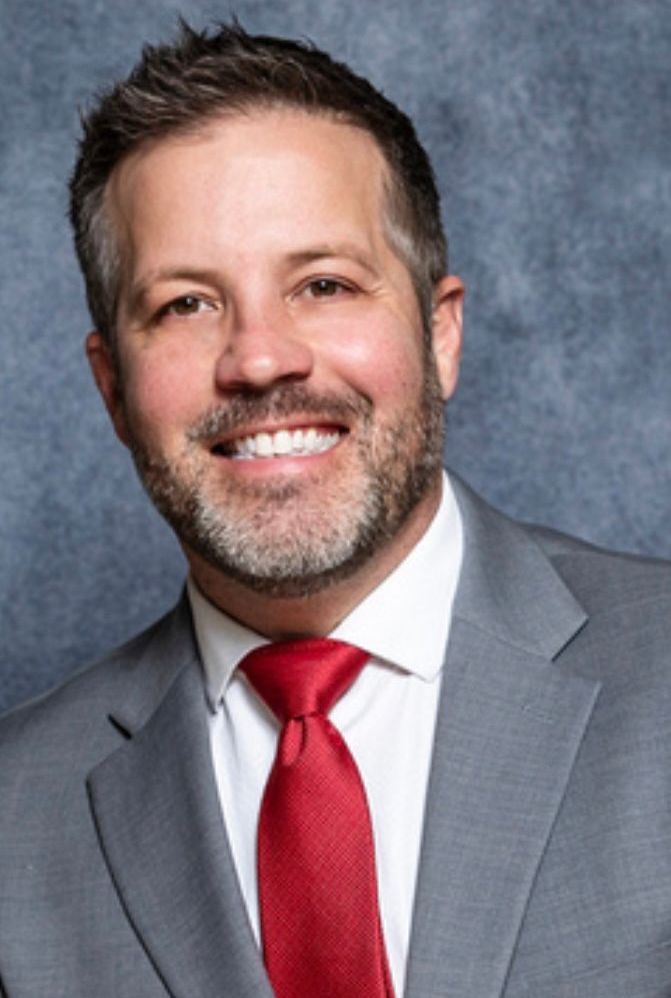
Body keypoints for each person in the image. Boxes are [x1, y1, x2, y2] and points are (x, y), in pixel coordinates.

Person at [1, 20, 670, 998]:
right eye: (186, 303)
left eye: (322, 283)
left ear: (439, 335)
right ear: (111, 387)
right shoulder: (16, 814)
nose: (260, 357)